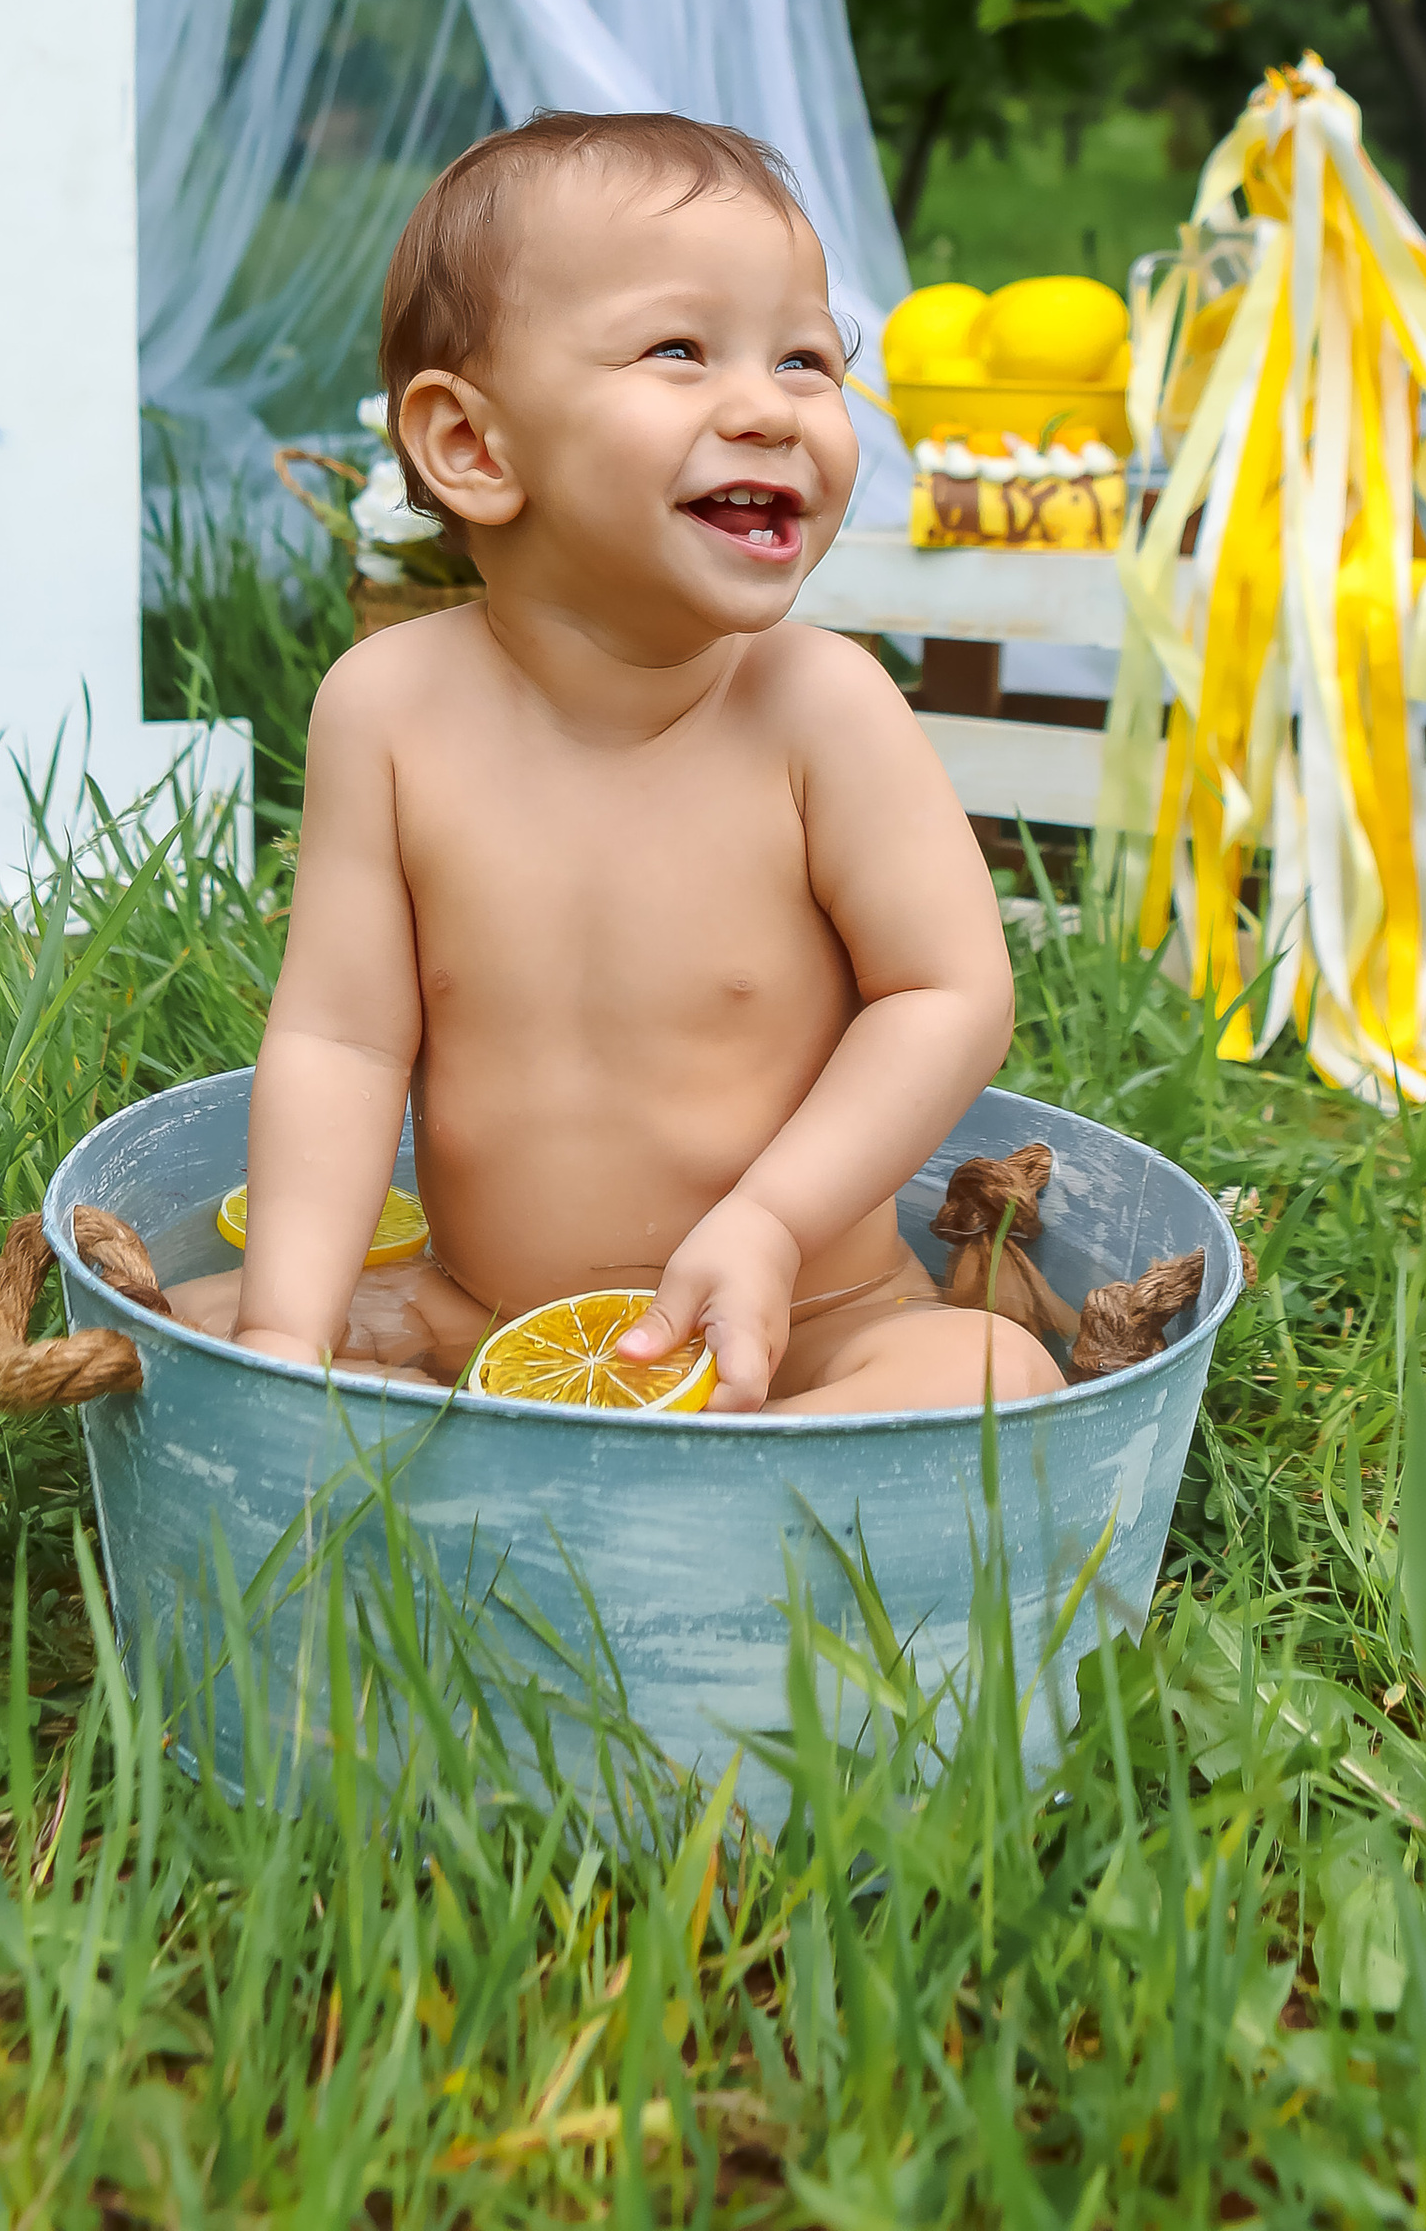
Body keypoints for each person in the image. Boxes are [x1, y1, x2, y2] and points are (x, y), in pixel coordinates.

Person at [168, 111, 1063, 1415]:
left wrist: (771, 1220)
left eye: (809, 359)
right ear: (474, 448)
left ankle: (731, 1480)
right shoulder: (389, 710)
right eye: (679, 350)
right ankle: (569, 1463)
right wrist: (285, 1330)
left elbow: (951, 995)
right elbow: (343, 1043)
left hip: (811, 1313)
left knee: (988, 1373)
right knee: (195, 1324)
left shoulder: (824, 708)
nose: (768, 406)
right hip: (492, 1313)